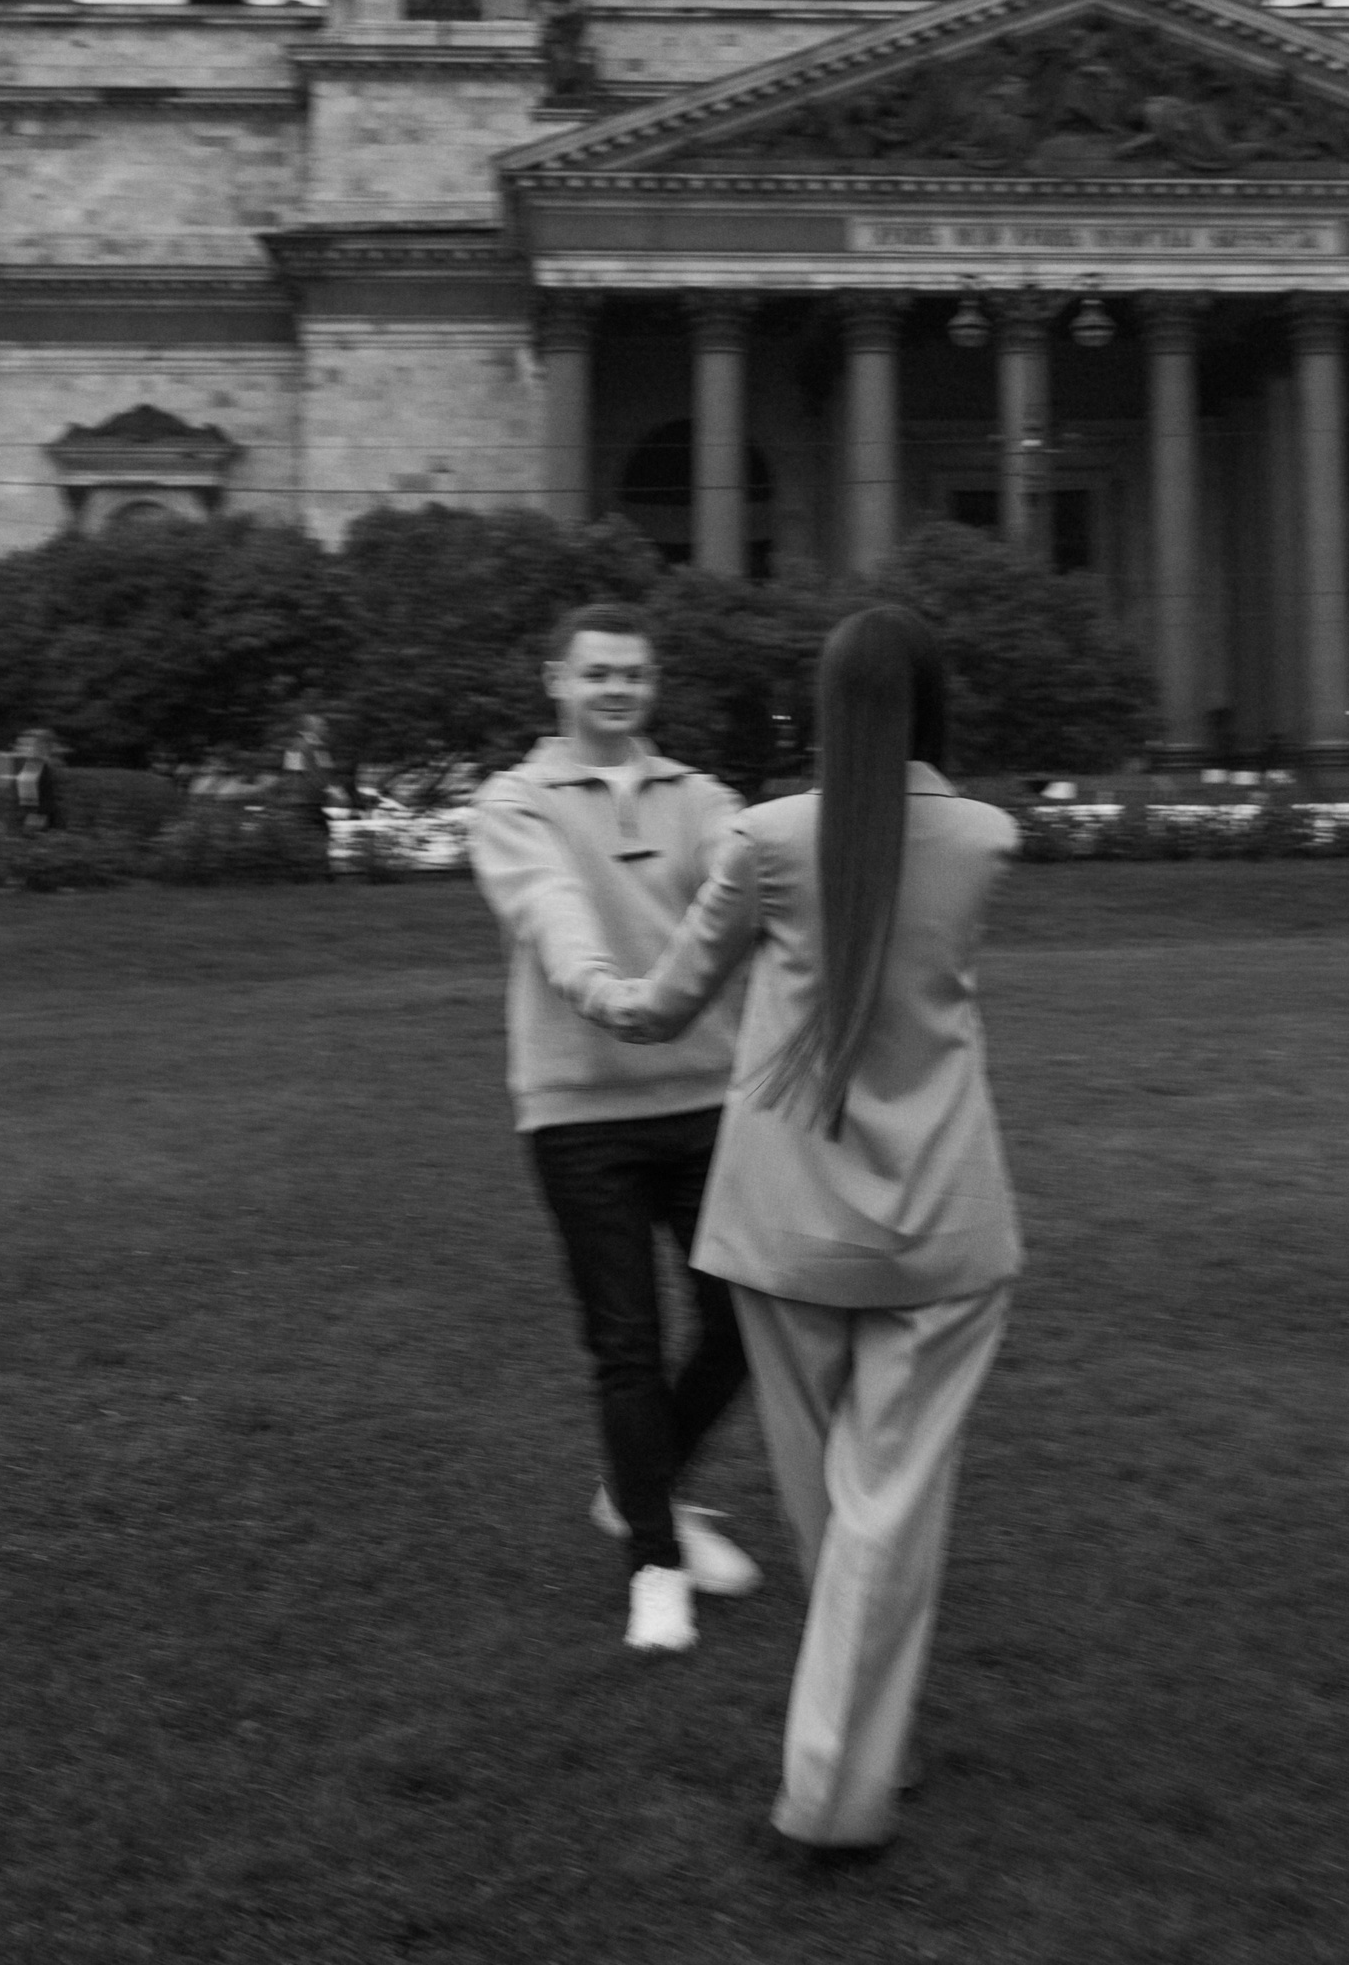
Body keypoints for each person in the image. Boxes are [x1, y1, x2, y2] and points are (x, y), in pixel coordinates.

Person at [585, 605, 1022, 1854]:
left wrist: (580, 981)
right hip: (941, 1223)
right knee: (885, 1507)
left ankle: (838, 1789)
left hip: (786, 1227)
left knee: (833, 1507)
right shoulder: (987, 838)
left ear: (825, 709)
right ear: (934, 705)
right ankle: (865, 1751)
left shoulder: (767, 840)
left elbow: (665, 1005)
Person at [467, 599, 760, 1655]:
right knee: (625, 1342)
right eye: (596, 673)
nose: (616, 689)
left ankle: (642, 1488)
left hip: (707, 1101)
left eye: (632, 673)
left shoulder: (704, 799)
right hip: (580, 1112)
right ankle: (655, 1562)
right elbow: (551, 907)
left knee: (747, 1320)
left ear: (652, 683)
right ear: (556, 681)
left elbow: (752, 887)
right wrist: (608, 994)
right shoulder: (516, 802)